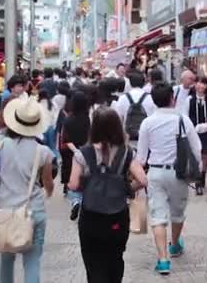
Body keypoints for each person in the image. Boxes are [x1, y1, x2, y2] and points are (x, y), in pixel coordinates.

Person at [68, 107, 148, 283]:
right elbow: (142, 180)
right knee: (115, 259)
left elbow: (73, 184)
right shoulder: (127, 152)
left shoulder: (83, 154)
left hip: (91, 217)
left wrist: (87, 184)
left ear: (94, 127)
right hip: (118, 216)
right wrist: (127, 189)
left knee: (93, 263)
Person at [0, 97, 55, 283]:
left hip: (5, 211)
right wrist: (48, 192)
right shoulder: (44, 152)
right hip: (34, 211)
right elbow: (48, 183)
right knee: (32, 262)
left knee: (6, 260)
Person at [136, 83, 202, 275]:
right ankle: (174, 245)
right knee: (177, 213)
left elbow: (141, 157)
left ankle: (163, 260)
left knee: (157, 216)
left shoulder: (147, 123)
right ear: (172, 98)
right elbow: (197, 149)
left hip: (155, 173)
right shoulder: (183, 119)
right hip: (178, 173)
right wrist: (195, 171)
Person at [182, 76, 207, 196]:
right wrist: (186, 133)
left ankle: (202, 177)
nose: (201, 86)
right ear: (195, 85)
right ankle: (198, 183)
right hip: (194, 132)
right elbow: (185, 117)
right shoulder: (189, 100)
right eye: (199, 83)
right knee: (197, 157)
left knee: (205, 158)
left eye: (203, 83)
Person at [61, 91, 91, 216]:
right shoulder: (87, 119)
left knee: (71, 175)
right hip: (85, 151)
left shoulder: (68, 120)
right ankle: (82, 199)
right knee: (84, 176)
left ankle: (75, 201)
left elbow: (66, 139)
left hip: (70, 152)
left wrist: (75, 151)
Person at [114, 71, 157, 143]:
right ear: (144, 82)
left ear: (130, 83)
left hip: (128, 138)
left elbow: (119, 120)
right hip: (147, 137)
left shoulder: (123, 98)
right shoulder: (151, 98)